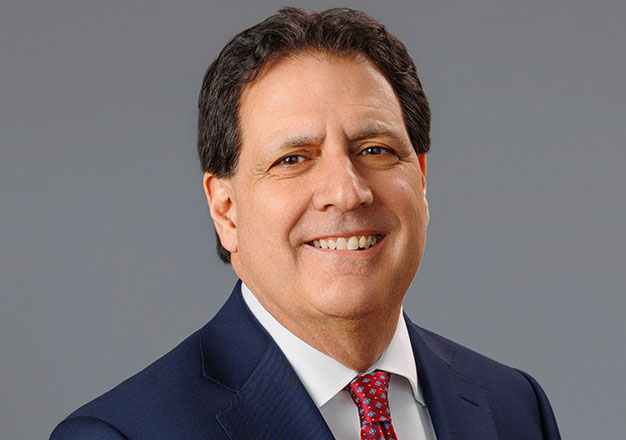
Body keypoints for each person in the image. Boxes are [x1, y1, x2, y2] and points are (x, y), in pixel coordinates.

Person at [50, 7, 561, 440]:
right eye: (293, 159)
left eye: (375, 150)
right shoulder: (122, 433)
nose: (347, 192)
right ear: (226, 210)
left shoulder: (515, 406)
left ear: (421, 178)